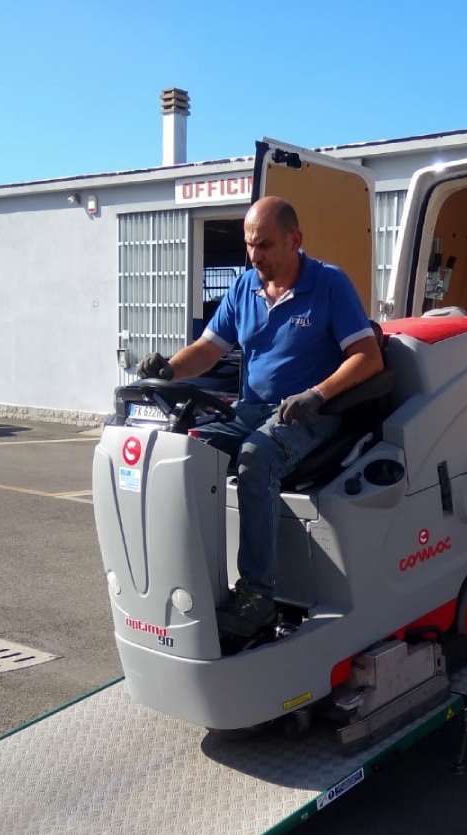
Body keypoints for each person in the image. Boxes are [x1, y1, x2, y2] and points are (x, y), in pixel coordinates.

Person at [139, 196, 384, 640]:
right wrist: (169, 369)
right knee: (182, 452)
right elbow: (209, 349)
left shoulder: (329, 284)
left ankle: (258, 596)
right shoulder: (244, 287)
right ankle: (185, 576)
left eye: (265, 245)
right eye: (249, 244)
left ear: (295, 240)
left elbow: (368, 358)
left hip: (312, 413)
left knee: (257, 457)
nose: (255, 256)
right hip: (251, 410)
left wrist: (316, 394)